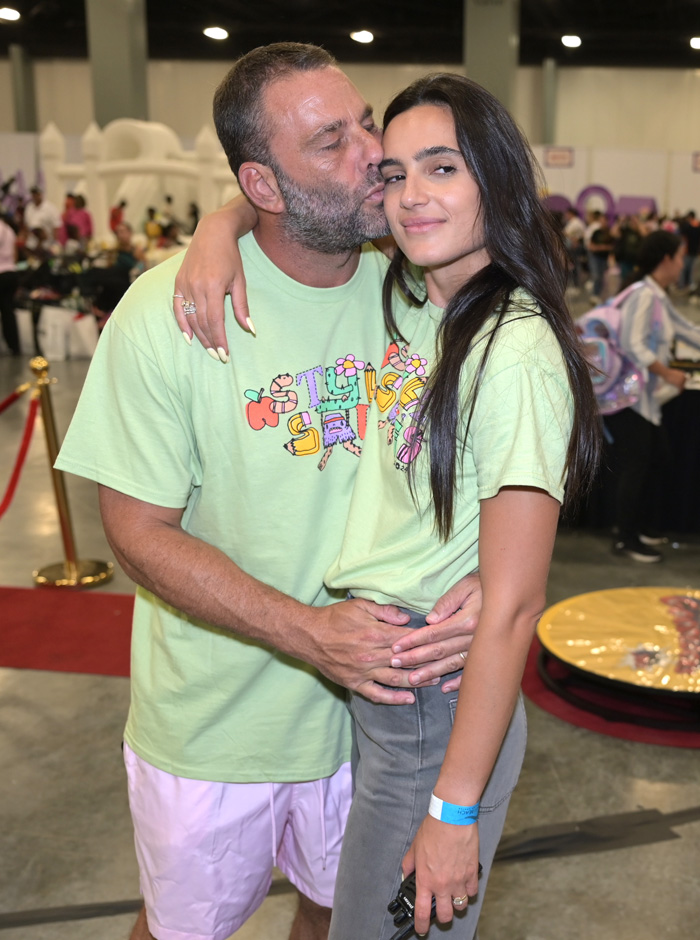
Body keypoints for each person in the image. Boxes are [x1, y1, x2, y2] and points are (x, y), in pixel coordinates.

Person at [55, 43, 482, 940]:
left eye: (364, 121)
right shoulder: (167, 313)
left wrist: (490, 578)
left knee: (337, 914)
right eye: (331, 142)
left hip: (376, 722)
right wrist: (307, 631)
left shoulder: (420, 289)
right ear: (264, 184)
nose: (372, 151)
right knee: (181, 929)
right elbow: (133, 530)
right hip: (216, 731)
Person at [175, 72, 601, 940]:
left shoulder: (511, 348)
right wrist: (216, 230)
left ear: (496, 178)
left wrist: (453, 814)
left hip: (438, 705)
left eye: (443, 168)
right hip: (397, 700)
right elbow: (281, 208)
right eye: (397, 174)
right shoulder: (415, 299)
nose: (412, 198)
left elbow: (516, 603)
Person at [604, 230, 700, 562]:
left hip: (644, 399)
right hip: (629, 397)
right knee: (638, 466)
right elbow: (633, 344)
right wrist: (666, 372)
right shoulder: (644, 294)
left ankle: (638, 528)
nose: (683, 263)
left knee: (656, 461)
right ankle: (625, 539)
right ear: (667, 260)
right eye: (680, 256)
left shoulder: (656, 294)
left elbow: (688, 330)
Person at [0, 212, 20, 356]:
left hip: (1, 272)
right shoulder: (10, 230)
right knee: (8, 311)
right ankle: (14, 346)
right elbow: (15, 254)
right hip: (11, 272)